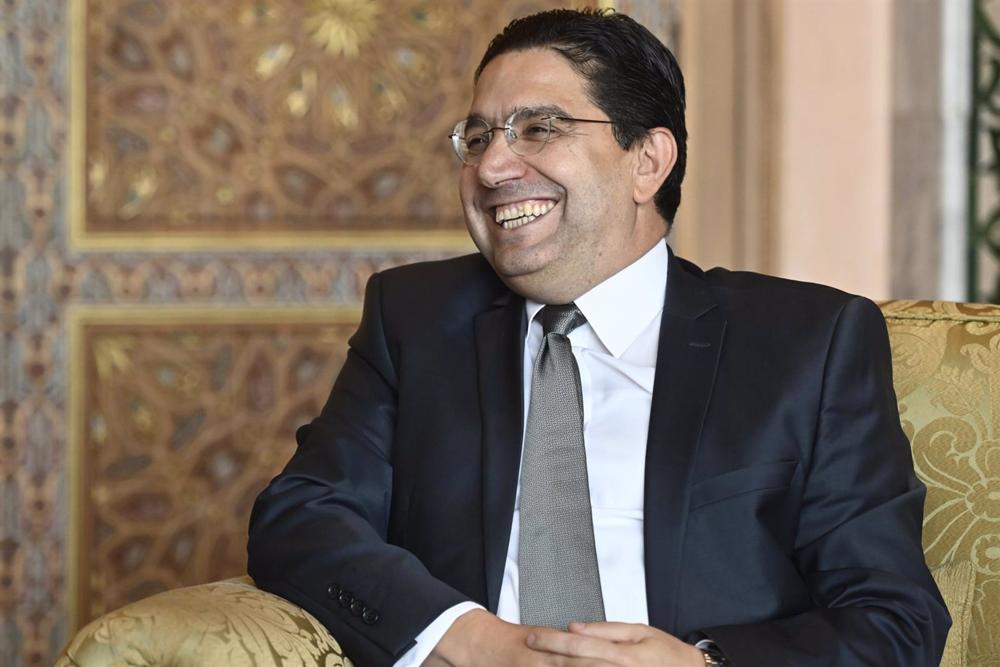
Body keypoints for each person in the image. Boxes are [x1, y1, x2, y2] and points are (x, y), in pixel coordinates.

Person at [247, 9, 950, 666]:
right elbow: (302, 516)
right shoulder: (418, 319)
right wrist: (474, 640)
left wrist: (702, 664)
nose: (491, 167)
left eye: (538, 129)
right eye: (479, 137)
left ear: (647, 161)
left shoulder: (806, 344)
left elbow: (893, 618)